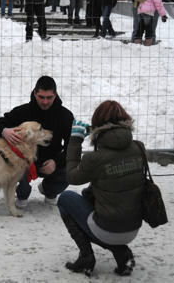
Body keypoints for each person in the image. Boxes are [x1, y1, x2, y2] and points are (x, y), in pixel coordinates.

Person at [58, 100, 145, 277]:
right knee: (87, 195)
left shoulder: (95, 159)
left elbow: (72, 177)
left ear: (97, 125)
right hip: (133, 228)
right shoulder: (139, 148)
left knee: (66, 198)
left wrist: (75, 141)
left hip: (108, 229)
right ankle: (121, 252)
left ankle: (86, 257)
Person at [0, 76, 74, 207]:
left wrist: (56, 162)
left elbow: (72, 147)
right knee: (16, 164)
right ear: (34, 93)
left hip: (51, 162)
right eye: (41, 97)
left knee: (70, 167)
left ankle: (49, 190)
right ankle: (22, 194)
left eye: (49, 97)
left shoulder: (65, 116)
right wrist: (4, 131)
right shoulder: (22, 112)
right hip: (25, 163)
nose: (45, 101)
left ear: (55, 95)